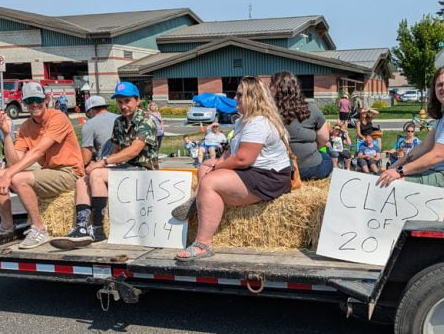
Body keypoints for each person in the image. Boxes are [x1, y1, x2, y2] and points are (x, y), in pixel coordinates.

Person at [173, 76, 291, 261]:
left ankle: (203, 243)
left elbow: (244, 159)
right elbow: (231, 152)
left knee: (210, 182)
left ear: (253, 97)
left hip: (269, 176)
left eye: (239, 95)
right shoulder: (244, 120)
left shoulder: (258, 122)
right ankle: (201, 201)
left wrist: (217, 167)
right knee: (204, 168)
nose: (235, 98)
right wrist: (215, 163)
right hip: (253, 171)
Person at [50, 82, 157, 248]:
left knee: (97, 174)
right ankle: (82, 227)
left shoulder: (147, 120)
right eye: (120, 102)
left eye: (127, 101)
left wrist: (102, 163)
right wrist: (102, 163)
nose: (123, 106)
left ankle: (99, 229)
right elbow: (116, 150)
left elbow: (134, 151)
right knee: (82, 180)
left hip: (144, 171)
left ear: (138, 101)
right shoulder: (119, 122)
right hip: (125, 169)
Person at [0, 82, 85, 249]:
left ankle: (39, 228)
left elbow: (38, 152)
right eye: (30, 101)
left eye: (38, 100)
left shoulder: (58, 117)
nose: (34, 104)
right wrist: (7, 135)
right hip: (49, 171)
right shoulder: (26, 126)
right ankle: (7, 225)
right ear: (24, 103)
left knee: (18, 178)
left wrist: (8, 175)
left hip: (69, 172)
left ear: (46, 99)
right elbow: (14, 162)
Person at [377, 64, 444, 201]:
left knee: (392, 185)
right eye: (439, 84)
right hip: (440, 173)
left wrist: (399, 171)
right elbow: (424, 147)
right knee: (386, 177)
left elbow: (436, 156)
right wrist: (394, 166)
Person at [270, 71, 332, 180]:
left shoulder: (268, 112)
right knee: (327, 158)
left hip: (280, 169)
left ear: (275, 88)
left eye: (270, 85)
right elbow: (324, 138)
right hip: (309, 167)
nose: (268, 87)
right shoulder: (312, 108)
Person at [80, 95, 118, 162]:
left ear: (91, 111)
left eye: (88, 115)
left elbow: (86, 159)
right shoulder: (120, 118)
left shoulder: (89, 124)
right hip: (127, 160)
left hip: (106, 164)